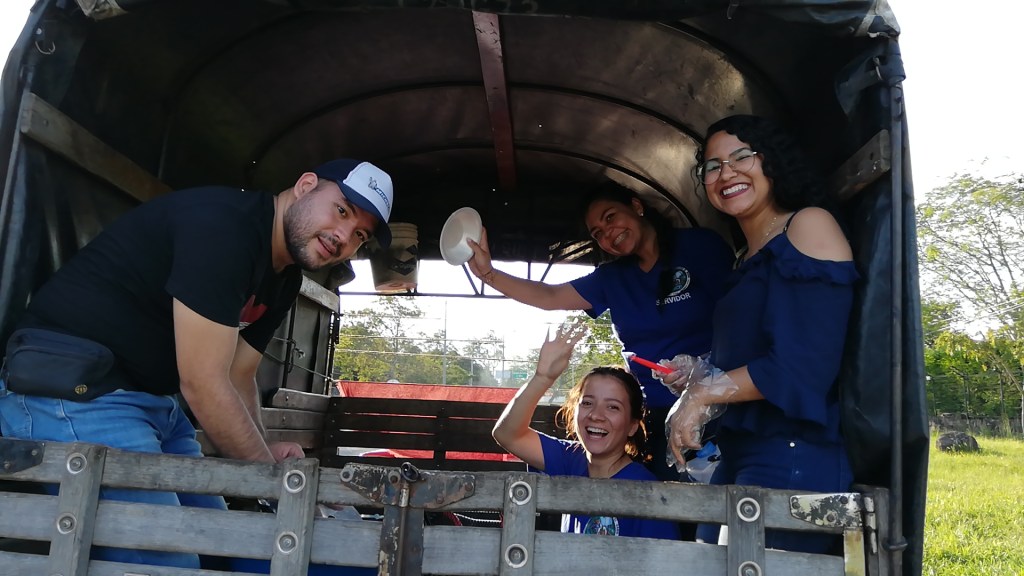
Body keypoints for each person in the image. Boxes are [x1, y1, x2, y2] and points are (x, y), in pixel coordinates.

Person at [0, 158, 394, 568]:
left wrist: (266, 454)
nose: (343, 236)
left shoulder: (285, 278)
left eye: (359, 235)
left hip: (154, 406)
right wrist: (277, 482)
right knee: (174, 564)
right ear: (305, 185)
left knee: (223, 550)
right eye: (341, 210)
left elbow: (238, 374)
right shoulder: (225, 228)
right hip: (75, 393)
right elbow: (204, 383)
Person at [658, 114, 857, 553]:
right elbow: (754, 356)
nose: (726, 172)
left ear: (771, 161)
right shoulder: (743, 256)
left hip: (795, 454)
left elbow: (803, 365)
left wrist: (702, 395)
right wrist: (698, 372)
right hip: (739, 452)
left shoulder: (808, 225)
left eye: (741, 156)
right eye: (712, 166)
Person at [468, 182, 734, 482]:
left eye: (610, 217)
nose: (608, 234)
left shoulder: (700, 246)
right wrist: (487, 274)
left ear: (636, 206)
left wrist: (704, 371)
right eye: (597, 233)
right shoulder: (612, 278)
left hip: (721, 403)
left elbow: (741, 314)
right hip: (655, 415)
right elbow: (549, 296)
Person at [492, 321, 680, 540]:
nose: (596, 415)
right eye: (588, 403)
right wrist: (543, 378)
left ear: (632, 426)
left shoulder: (648, 492)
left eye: (613, 407)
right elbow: (507, 434)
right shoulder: (570, 460)